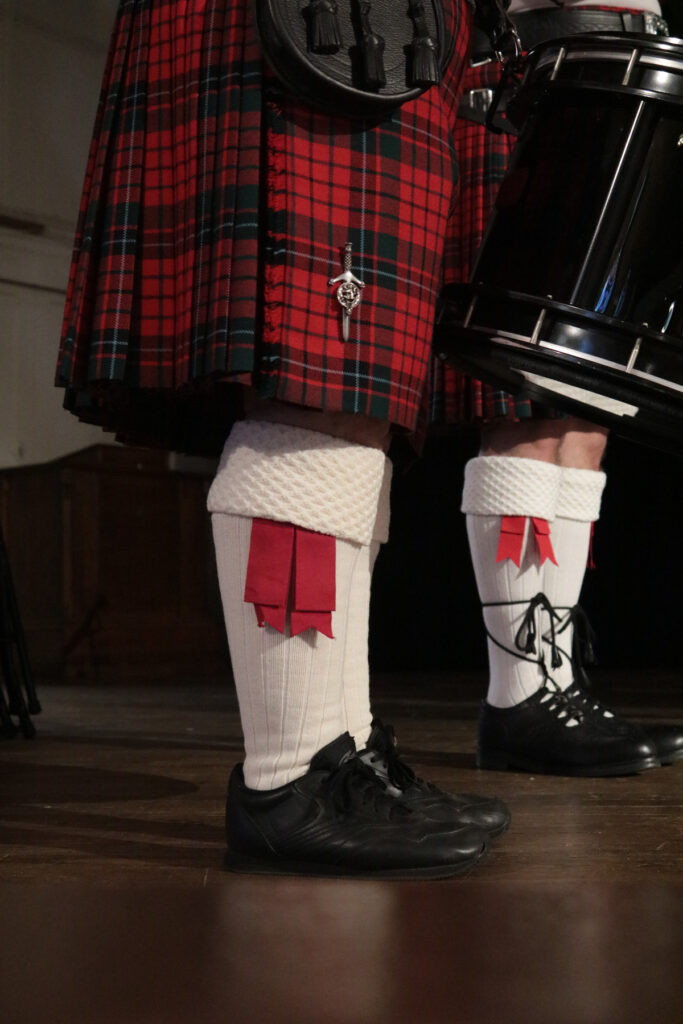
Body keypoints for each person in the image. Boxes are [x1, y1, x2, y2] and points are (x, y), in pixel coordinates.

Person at [57, 0, 509, 879]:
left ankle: (339, 752)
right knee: (317, 375)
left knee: (360, 395)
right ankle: (286, 776)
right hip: (318, 22)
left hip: (401, 30)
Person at [437, 0, 683, 774]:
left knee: (585, 416)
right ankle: (520, 695)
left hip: (627, 62)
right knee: (531, 409)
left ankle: (550, 684)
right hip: (546, 68)